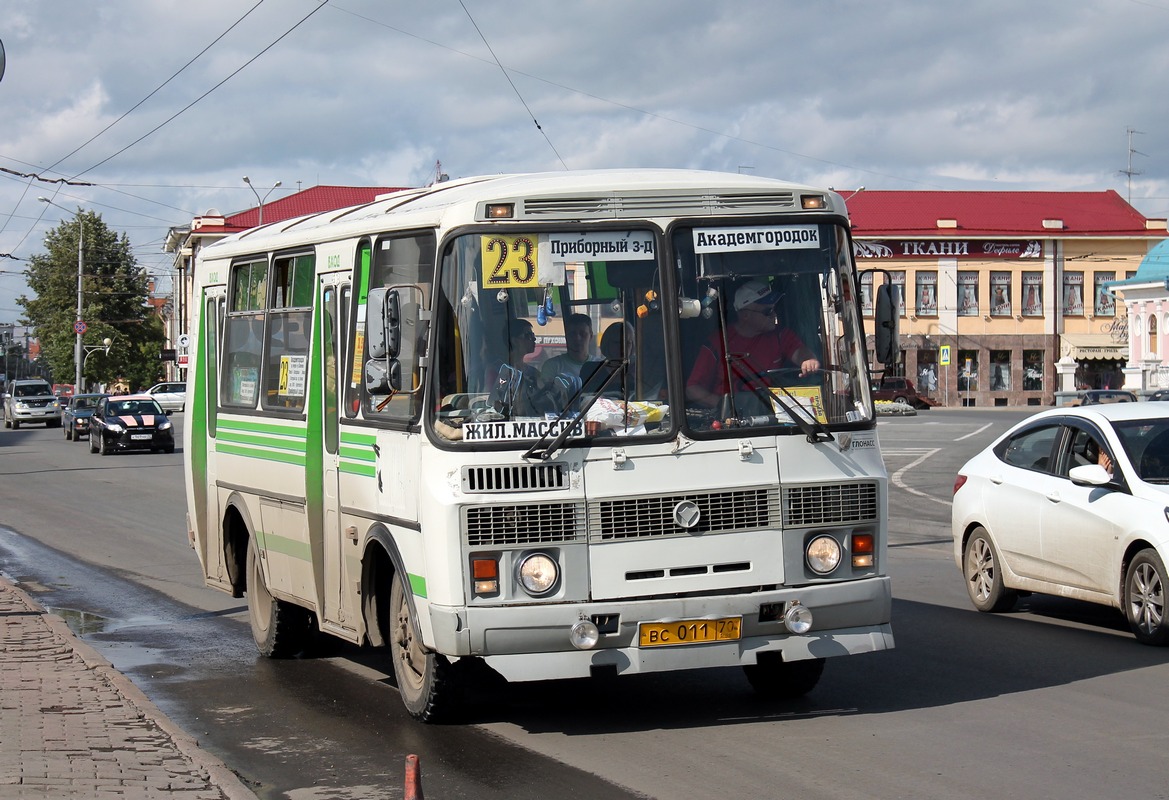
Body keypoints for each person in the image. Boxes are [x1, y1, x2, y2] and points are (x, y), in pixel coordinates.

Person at [686, 280, 820, 408]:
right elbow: (692, 389)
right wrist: (725, 405)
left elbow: (800, 352)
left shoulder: (780, 335)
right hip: (732, 419)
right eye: (767, 311)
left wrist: (808, 360)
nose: (774, 315)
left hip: (770, 411)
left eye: (774, 309)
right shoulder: (717, 344)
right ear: (745, 315)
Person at [540, 313, 593, 381]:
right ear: (566, 336)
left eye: (582, 334)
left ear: (591, 336)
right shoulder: (552, 366)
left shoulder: (600, 366)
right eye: (572, 334)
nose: (577, 338)